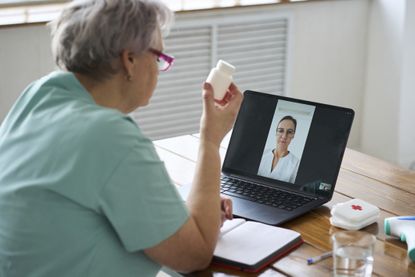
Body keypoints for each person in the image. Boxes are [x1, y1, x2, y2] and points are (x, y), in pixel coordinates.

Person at [0, 0, 243, 276]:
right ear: (129, 60)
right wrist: (210, 140)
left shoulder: (36, 96)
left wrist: (190, 211)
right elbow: (195, 255)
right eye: (158, 58)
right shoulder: (109, 135)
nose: (159, 69)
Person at [257, 115, 299, 183]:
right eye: (281, 130)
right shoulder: (262, 153)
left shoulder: (296, 164)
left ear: (293, 135)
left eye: (289, 132)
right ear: (276, 132)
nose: (284, 136)